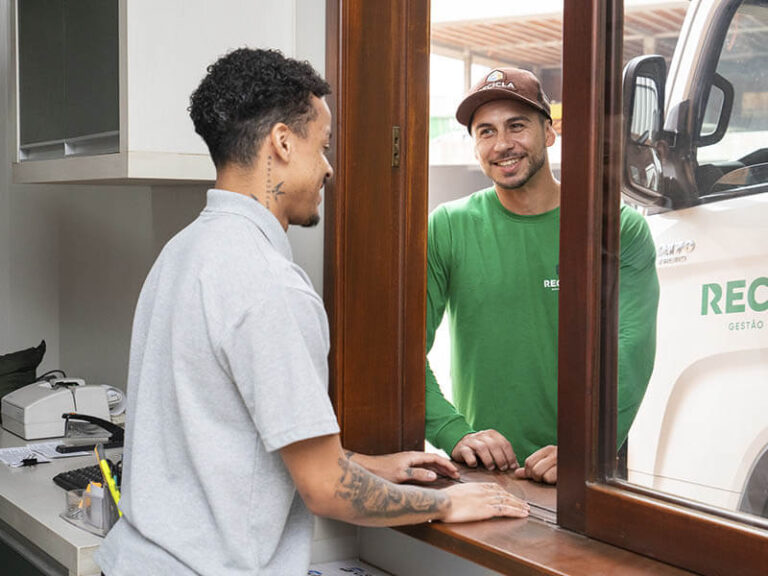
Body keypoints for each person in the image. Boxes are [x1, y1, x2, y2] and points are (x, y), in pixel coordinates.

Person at [95, 49, 528, 576]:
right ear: (282, 142)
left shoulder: (182, 251)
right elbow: (326, 492)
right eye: (322, 146)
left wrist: (364, 464)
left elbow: (229, 435)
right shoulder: (269, 284)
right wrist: (446, 503)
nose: (328, 167)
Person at [425, 67, 659, 485]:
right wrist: (453, 431)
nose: (503, 144)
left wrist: (587, 445)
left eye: (517, 126)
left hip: (586, 468)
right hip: (486, 473)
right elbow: (402, 350)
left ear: (549, 133)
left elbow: (632, 349)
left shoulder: (617, 228)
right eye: (486, 132)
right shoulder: (447, 227)